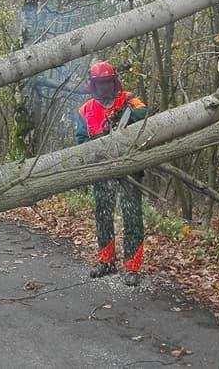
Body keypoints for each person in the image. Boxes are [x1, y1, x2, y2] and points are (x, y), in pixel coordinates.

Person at [75, 61, 149, 286]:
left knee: (132, 215)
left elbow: (147, 115)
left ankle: (132, 266)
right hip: (102, 168)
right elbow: (80, 140)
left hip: (129, 166)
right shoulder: (85, 110)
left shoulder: (129, 100)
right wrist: (98, 143)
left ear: (114, 82)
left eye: (108, 82)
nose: (105, 87)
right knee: (103, 214)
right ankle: (106, 260)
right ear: (93, 85)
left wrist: (121, 114)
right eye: (100, 83)